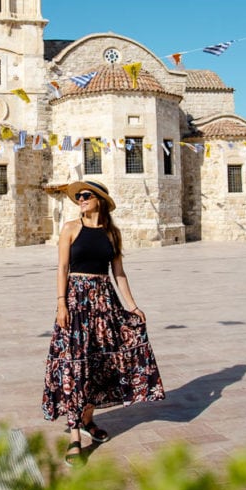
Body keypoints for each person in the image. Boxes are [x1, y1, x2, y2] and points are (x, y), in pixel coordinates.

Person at [42, 179, 165, 465]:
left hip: (104, 303)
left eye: (86, 196)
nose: (81, 200)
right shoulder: (70, 229)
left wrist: (132, 306)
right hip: (76, 303)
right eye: (79, 197)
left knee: (99, 364)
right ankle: (74, 437)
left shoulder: (112, 234)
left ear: (99, 200)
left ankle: (87, 419)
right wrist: (61, 303)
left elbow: (118, 274)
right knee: (75, 365)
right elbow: (62, 267)